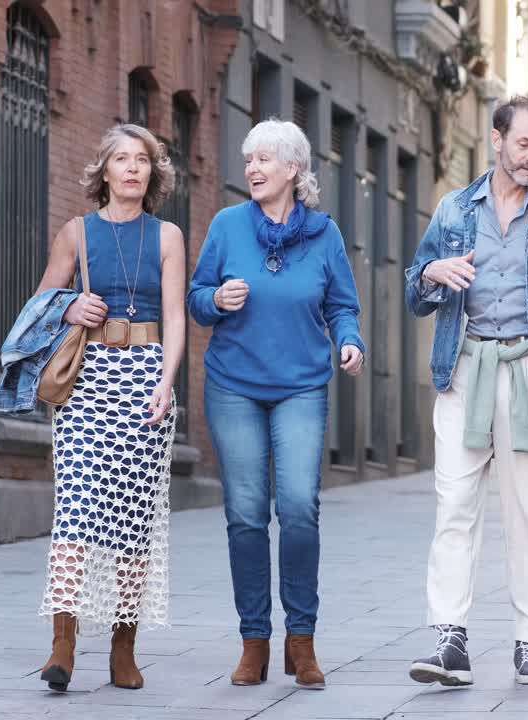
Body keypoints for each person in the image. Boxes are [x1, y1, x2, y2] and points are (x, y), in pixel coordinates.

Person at [404, 95, 528, 687]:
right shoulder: (454, 211)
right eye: (524, 144)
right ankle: (450, 641)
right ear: (496, 139)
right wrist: (432, 274)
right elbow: (416, 291)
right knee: (454, 507)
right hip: (465, 372)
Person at [187, 119, 364, 690]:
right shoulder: (227, 226)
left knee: (297, 507)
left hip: (301, 385)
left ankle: (302, 640)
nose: (252, 169)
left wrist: (350, 341)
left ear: (293, 168)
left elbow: (342, 305)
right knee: (244, 512)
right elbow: (195, 299)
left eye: (264, 159)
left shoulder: (324, 234)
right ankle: (254, 642)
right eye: (248, 160)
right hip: (234, 384)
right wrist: (214, 298)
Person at [31, 124, 185, 692]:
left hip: (146, 376)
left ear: (153, 172)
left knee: (132, 523)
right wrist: (72, 309)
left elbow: (174, 317)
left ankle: (124, 647)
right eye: (121, 159)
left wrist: (167, 382)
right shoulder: (75, 233)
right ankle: (62, 644)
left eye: (142, 160)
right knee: (74, 510)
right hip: (88, 381)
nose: (132, 169)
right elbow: (42, 304)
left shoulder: (167, 236)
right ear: (104, 171)